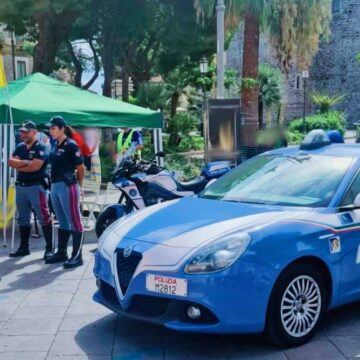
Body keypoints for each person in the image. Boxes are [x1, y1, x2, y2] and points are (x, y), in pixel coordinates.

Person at [8, 120, 53, 259]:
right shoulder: (20, 147)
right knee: (23, 218)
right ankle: (24, 247)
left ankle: (49, 248)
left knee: (43, 217)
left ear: (34, 132)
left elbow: (36, 167)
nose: (23, 134)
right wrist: (27, 162)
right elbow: (11, 162)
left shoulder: (42, 147)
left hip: (36, 186)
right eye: (21, 131)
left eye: (26, 132)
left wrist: (21, 163)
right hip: (21, 186)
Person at [45, 116, 85, 268]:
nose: (51, 131)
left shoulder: (71, 145)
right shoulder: (55, 144)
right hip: (55, 186)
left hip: (68, 186)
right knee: (61, 220)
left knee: (75, 221)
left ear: (62, 129)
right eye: (50, 128)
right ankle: (62, 252)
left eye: (53, 128)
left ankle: (77, 256)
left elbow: (80, 168)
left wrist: (79, 186)